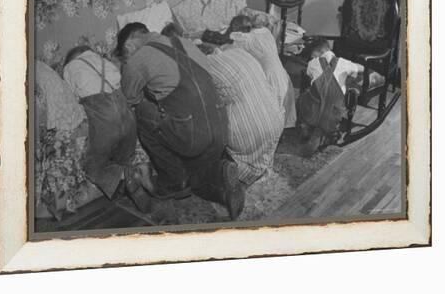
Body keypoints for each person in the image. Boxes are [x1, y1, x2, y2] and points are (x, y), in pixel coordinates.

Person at [117, 22, 245, 219]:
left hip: (191, 133)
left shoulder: (139, 57)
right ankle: (220, 176)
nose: (127, 62)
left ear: (129, 47)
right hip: (220, 126)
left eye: (124, 58)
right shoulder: (185, 43)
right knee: (197, 180)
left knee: (142, 112)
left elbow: (129, 98)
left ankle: (172, 180)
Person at [63, 45, 153, 211]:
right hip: (128, 118)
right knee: (123, 157)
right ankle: (135, 171)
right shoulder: (105, 62)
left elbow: (70, 101)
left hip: (105, 122)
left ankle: (125, 175)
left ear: (72, 59)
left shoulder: (70, 69)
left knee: (92, 166)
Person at [206, 46, 284, 185]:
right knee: (264, 153)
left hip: (249, 129)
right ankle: (260, 174)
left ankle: (234, 176)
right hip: (275, 116)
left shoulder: (208, 65)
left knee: (212, 133)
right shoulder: (240, 52)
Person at [226, 15, 297, 128]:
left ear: (236, 28)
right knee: (282, 98)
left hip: (268, 75)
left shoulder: (244, 40)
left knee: (270, 104)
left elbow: (232, 45)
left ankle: (272, 129)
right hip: (282, 72)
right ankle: (280, 127)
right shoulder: (265, 32)